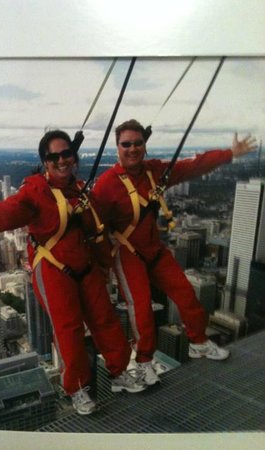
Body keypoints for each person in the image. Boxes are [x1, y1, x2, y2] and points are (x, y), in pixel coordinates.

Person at [0, 129, 146, 416]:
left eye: (66, 154)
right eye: (53, 157)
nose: (61, 161)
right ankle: (77, 389)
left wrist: (106, 263)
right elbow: (7, 211)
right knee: (68, 329)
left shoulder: (81, 191)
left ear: (74, 156)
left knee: (105, 320)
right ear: (45, 162)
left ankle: (120, 372)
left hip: (86, 267)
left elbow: (97, 231)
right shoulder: (36, 191)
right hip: (53, 269)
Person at [92, 119, 257, 385]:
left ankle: (199, 341)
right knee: (142, 308)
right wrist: (100, 265)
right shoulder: (106, 184)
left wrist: (229, 154)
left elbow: (191, 166)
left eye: (138, 143)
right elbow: (92, 225)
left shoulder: (154, 171)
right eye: (126, 144)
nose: (132, 149)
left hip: (154, 249)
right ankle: (144, 361)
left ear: (144, 145)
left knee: (186, 294)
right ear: (117, 147)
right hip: (127, 252)